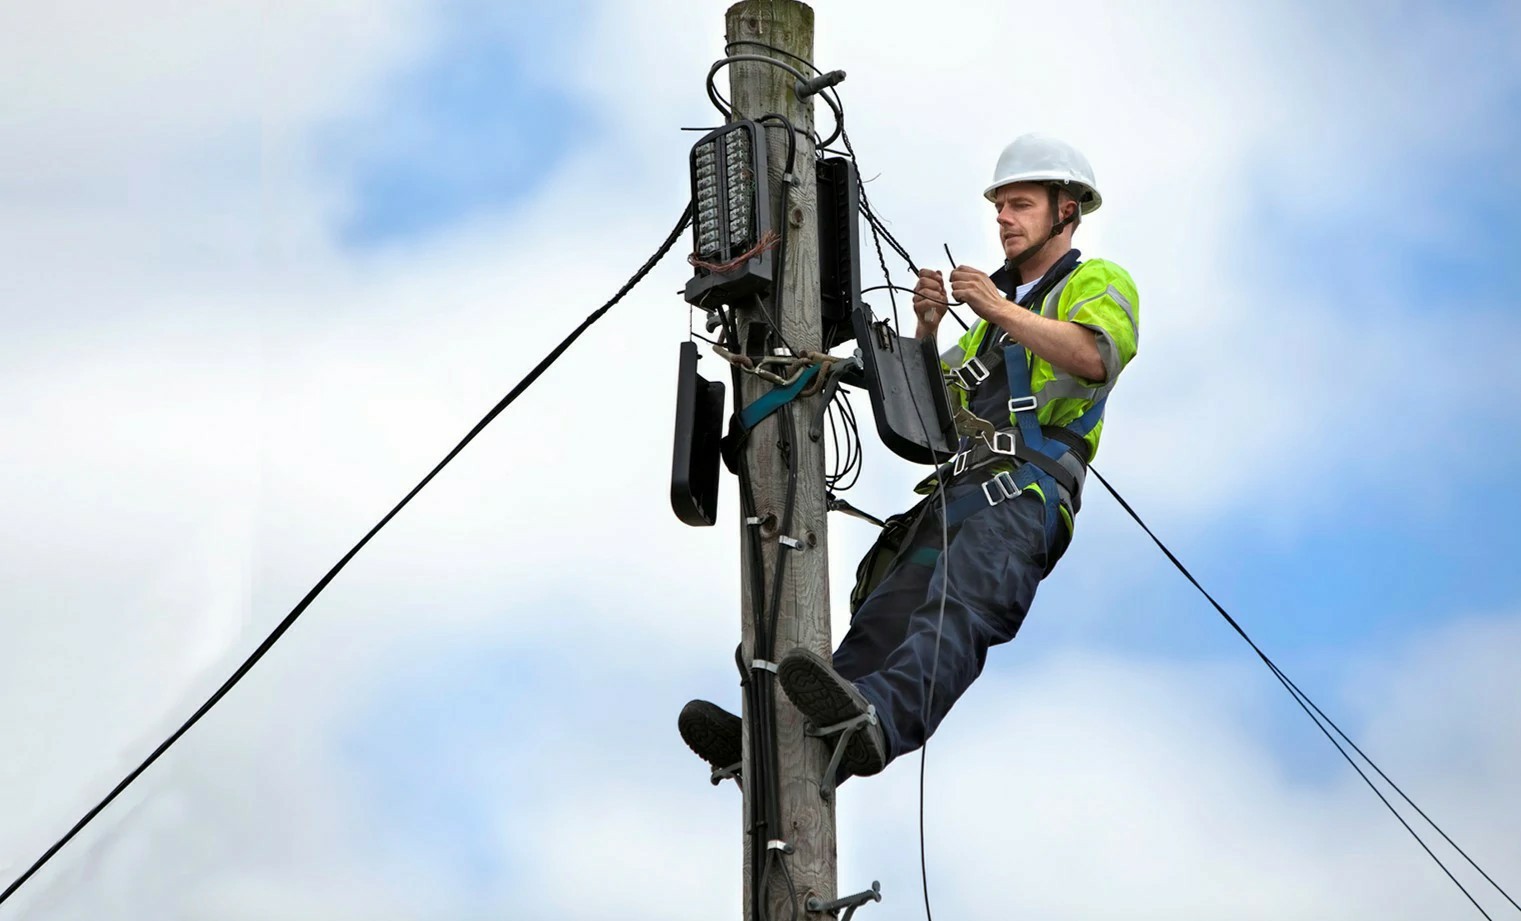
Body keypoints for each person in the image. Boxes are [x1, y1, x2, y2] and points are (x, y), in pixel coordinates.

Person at [679, 133, 1139, 784]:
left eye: (1021, 204)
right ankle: (774, 750)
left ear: (1066, 211)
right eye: (1000, 206)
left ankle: (880, 723)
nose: (1004, 218)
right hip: (957, 494)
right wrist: (925, 330)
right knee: (878, 623)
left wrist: (997, 306)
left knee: (950, 615)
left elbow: (1095, 355)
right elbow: (933, 417)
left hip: (1022, 500)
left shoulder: (1094, 283)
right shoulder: (988, 322)